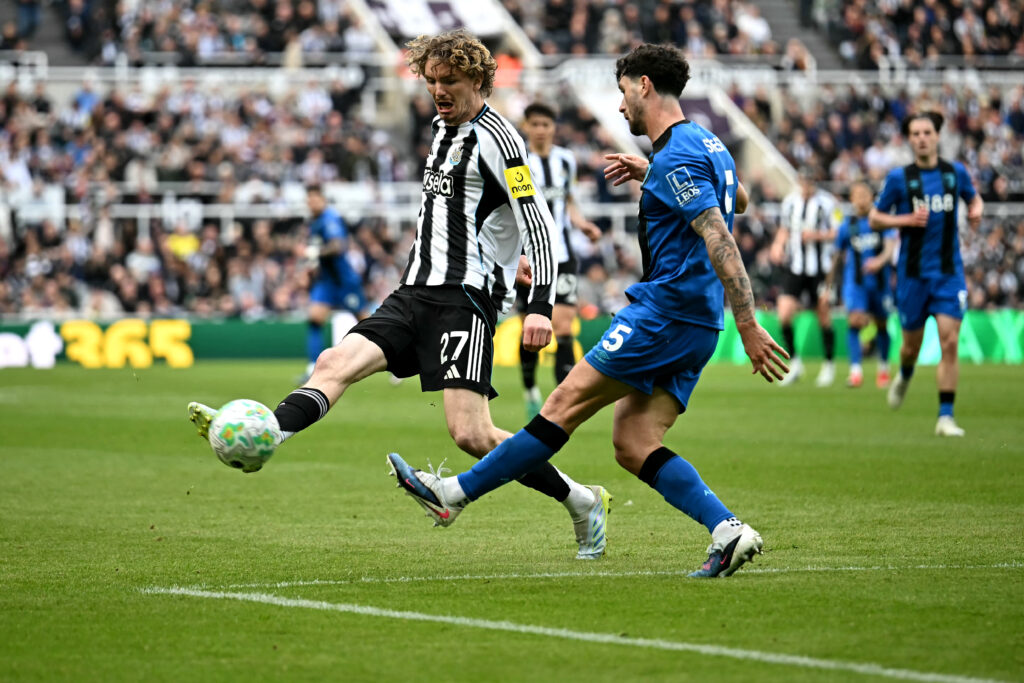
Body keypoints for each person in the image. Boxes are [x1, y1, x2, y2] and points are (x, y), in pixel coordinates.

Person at [187, 29, 610, 559]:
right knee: (333, 362)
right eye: (431, 80)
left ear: (478, 80)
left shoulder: (501, 141)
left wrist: (540, 306)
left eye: (449, 80)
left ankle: (582, 500)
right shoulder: (440, 128)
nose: (437, 90)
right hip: (414, 291)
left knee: (472, 435)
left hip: (464, 299)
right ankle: (263, 432)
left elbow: (537, 223)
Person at [387, 43, 789, 578]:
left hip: (665, 314)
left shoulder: (679, 154)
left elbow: (720, 234)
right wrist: (655, 172)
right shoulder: (709, 144)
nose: (620, 106)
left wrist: (750, 323)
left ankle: (453, 494)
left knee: (562, 404)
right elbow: (736, 201)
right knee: (634, 443)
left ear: (644, 85)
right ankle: (728, 529)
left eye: (623, 92)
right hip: (698, 324)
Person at [869, 111, 983, 436]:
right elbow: (875, 218)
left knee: (950, 341)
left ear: (937, 136)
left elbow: (975, 200)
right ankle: (905, 373)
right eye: (916, 133)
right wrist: (905, 220)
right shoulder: (899, 178)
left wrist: (976, 210)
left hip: (948, 273)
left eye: (927, 132)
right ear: (909, 139)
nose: (922, 138)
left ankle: (945, 416)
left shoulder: (955, 173)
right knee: (910, 348)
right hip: (912, 276)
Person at [516, 102, 602, 419]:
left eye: (546, 124)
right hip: (528, 257)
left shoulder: (566, 160)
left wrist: (583, 224)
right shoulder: (517, 161)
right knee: (530, 327)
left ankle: (561, 404)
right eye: (535, 124)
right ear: (526, 127)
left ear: (554, 128)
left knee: (563, 326)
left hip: (562, 255)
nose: (541, 130)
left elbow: (568, 202)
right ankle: (530, 389)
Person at [770, 167, 839, 387]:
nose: (806, 185)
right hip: (795, 267)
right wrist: (778, 245)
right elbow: (785, 229)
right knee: (784, 314)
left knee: (823, 314)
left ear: (815, 181)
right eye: (803, 180)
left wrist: (817, 236)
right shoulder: (790, 202)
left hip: (820, 269)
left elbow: (838, 232)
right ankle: (795, 362)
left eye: (810, 180)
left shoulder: (828, 203)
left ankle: (829, 364)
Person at [827, 182, 897, 388]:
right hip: (856, 284)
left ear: (871, 197)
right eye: (857, 195)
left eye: (864, 194)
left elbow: (890, 248)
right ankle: (855, 371)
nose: (861, 199)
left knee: (882, 324)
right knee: (855, 321)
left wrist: (879, 262)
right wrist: (828, 284)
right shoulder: (847, 225)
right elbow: (838, 255)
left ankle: (883, 369)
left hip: (880, 283)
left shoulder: (881, 221)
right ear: (851, 199)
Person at [300, 185, 367, 383]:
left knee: (367, 324)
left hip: (344, 281)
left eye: (315, 199)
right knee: (314, 319)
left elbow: (338, 246)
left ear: (323, 200)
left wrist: (317, 253)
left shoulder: (330, 218)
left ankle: (396, 362)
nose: (312, 203)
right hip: (327, 281)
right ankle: (312, 368)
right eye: (309, 200)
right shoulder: (314, 221)